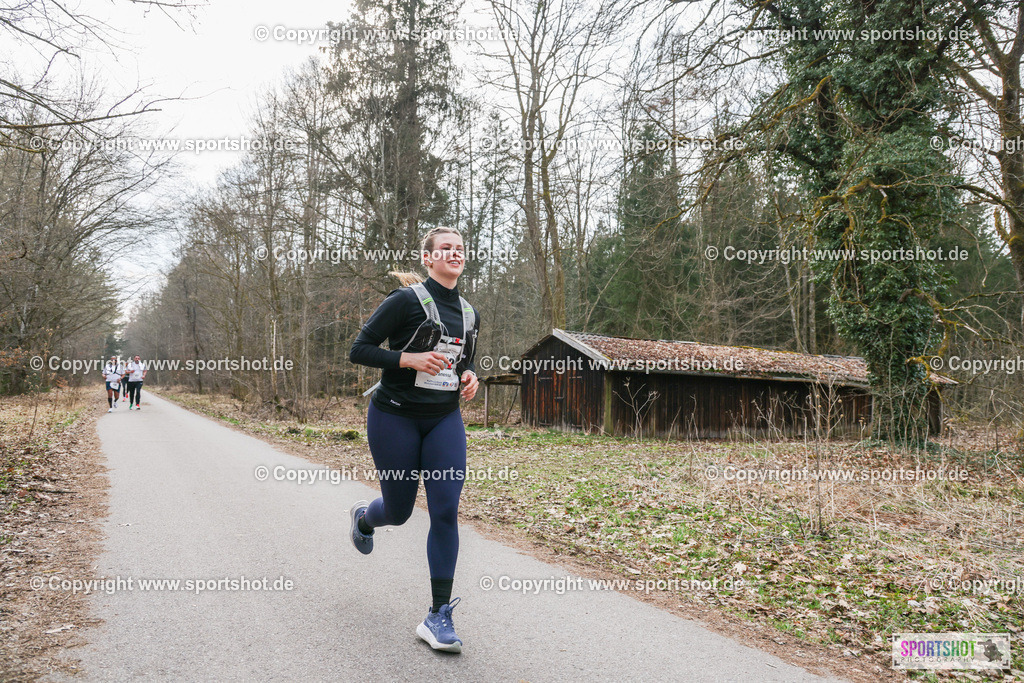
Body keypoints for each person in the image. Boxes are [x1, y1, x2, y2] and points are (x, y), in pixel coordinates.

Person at [348, 226, 480, 654]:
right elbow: (360, 349)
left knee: (445, 510)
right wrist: (407, 358)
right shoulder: (404, 301)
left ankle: (438, 615)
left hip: (444, 420)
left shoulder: (469, 312)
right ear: (428, 259)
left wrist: (469, 377)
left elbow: (464, 360)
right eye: (446, 249)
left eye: (460, 249)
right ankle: (366, 519)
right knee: (401, 512)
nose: (454, 254)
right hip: (395, 418)